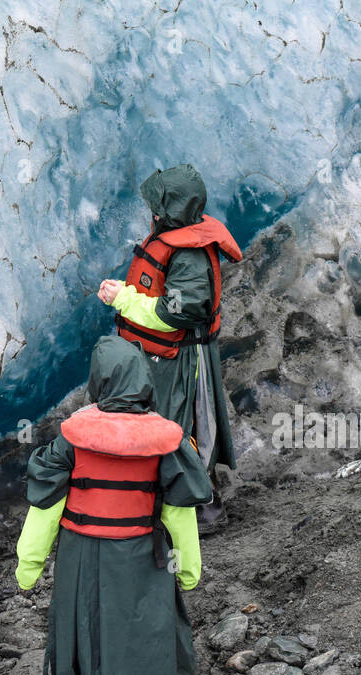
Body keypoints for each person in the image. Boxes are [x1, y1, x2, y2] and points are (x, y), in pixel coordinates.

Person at [14, 335, 212, 675]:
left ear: (98, 383)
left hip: (80, 556)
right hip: (138, 553)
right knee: (131, 634)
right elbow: (180, 513)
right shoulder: (164, 443)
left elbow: (45, 507)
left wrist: (28, 564)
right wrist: (189, 568)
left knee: (88, 628)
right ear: (142, 380)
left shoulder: (73, 440)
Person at [97, 164, 241, 535]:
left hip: (183, 357)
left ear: (171, 211)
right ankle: (176, 501)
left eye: (157, 206)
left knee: (181, 424)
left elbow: (175, 314)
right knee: (164, 422)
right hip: (163, 356)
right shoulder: (175, 238)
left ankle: (203, 507)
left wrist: (124, 301)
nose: (152, 213)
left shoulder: (189, 256)